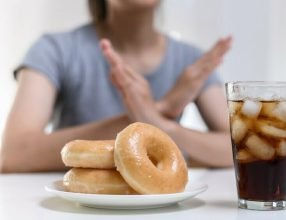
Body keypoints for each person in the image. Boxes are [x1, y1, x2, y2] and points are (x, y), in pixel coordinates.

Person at [0, 0, 232, 173]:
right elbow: (13, 153)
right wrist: (160, 110)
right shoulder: (54, 49)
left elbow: (238, 149)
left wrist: (163, 126)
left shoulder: (191, 60)